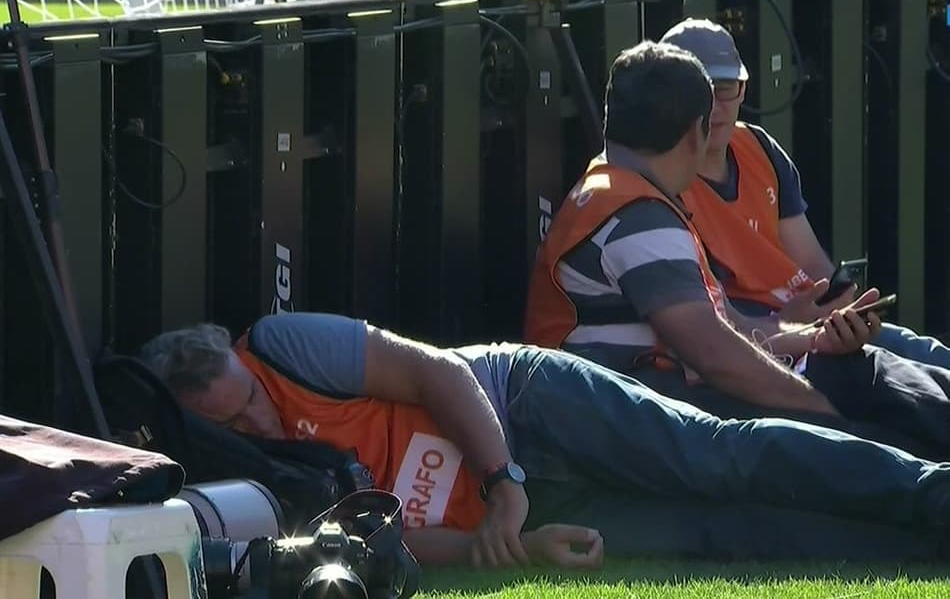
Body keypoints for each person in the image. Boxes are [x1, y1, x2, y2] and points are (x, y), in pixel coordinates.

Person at [141, 310, 950, 568]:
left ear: (244, 364)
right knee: (712, 532)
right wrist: (509, 544)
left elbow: (435, 373)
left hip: (525, 402)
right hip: (520, 510)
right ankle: (918, 549)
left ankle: (931, 493)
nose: (259, 422)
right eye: (234, 425)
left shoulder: (281, 343)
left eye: (252, 402)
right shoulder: (248, 479)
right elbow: (375, 545)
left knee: (714, 455)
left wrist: (503, 483)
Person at [522, 41, 950, 460]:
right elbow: (715, 357)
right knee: (872, 408)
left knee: (867, 371)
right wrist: (822, 411)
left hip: (644, 405)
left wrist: (814, 340)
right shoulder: (639, 218)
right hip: (644, 416)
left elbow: (732, 330)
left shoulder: (619, 193)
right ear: (697, 132)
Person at [658, 17, 950, 370]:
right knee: (900, 374)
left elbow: (811, 261)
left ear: (743, 90)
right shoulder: (661, 180)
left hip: (812, 323)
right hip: (764, 346)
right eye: (698, 93)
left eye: (724, 88)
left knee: (920, 351)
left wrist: (839, 303)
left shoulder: (760, 148)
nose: (713, 107)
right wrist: (788, 323)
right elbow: (718, 324)